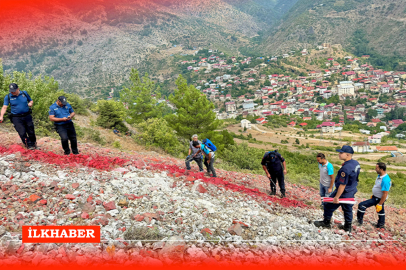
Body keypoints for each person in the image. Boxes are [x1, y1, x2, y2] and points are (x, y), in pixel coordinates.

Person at [314, 145, 361, 233]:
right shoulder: (355, 163)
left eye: (341, 153)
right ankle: (348, 227)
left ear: (347, 155)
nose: (339, 154)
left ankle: (326, 222)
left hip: (342, 192)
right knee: (347, 208)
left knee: (328, 205)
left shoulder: (345, 168)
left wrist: (337, 197)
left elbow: (342, 184)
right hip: (351, 190)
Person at [0, 83, 37, 149]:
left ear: (18, 89)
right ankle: (28, 145)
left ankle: (33, 143)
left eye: (14, 90)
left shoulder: (24, 93)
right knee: (22, 132)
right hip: (16, 117)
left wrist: (30, 103)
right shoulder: (8, 96)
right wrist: (1, 116)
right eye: (11, 91)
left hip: (27, 115)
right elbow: (4, 107)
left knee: (31, 130)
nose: (12, 92)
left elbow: (31, 100)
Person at [357, 162, 391, 229]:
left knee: (362, 205)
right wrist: (373, 195)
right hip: (376, 197)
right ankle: (381, 225)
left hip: (379, 198)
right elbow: (377, 187)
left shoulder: (385, 180)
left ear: (381, 169)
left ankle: (359, 222)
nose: (375, 169)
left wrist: (380, 204)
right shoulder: (379, 176)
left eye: (376, 168)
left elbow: (385, 193)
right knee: (380, 211)